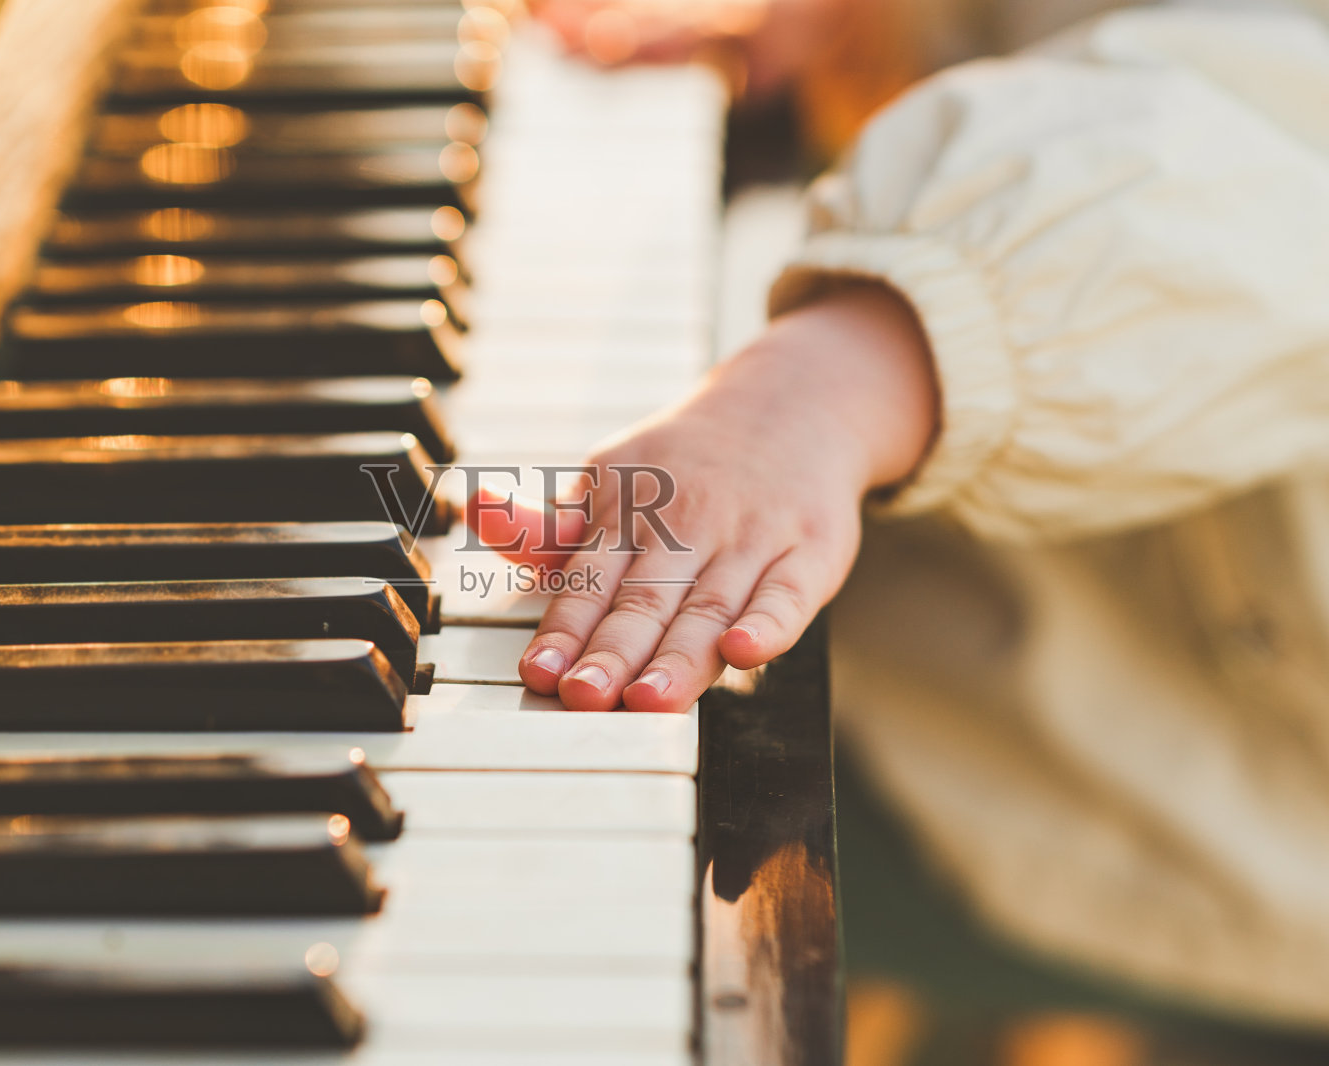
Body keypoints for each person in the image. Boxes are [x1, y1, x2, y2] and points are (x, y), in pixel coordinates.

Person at [467, 0, 1329, 1033]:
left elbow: (1276, 137)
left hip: (1174, 743)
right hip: (996, 528)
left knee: (548, 902)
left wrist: (824, 384)